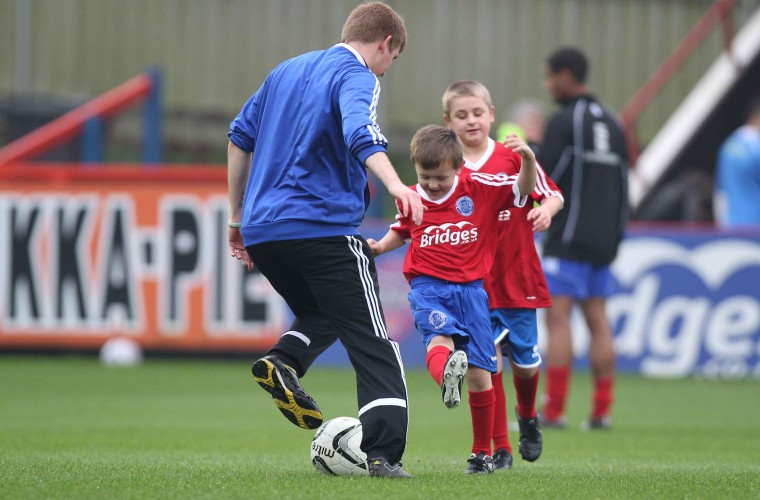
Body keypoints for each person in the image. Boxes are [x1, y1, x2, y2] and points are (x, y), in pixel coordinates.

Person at [225, 2, 423, 479]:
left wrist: (236, 217)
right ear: (385, 44)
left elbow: (238, 136)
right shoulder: (359, 76)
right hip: (322, 228)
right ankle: (382, 455)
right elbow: (360, 129)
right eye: (391, 60)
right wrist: (397, 186)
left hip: (265, 231)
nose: (386, 69)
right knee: (374, 339)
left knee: (325, 312)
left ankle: (283, 362)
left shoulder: (285, 71)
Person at [368, 124, 537, 474]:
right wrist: (380, 247)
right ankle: (446, 374)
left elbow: (522, 190)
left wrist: (528, 162)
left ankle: (480, 455)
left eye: (440, 178)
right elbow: (402, 229)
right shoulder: (411, 196)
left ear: (459, 169)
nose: (431, 184)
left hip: (473, 292)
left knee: (480, 375)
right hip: (428, 287)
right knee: (439, 337)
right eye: (424, 176)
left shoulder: (480, 189)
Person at [442, 80, 563, 469]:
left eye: (477, 113)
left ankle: (528, 416)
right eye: (461, 115)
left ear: (491, 115)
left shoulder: (513, 156)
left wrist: (546, 210)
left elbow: (553, 194)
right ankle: (500, 447)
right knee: (485, 363)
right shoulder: (447, 163)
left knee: (525, 365)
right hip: (473, 284)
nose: (471, 121)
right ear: (449, 121)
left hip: (518, 277)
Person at [536, 46, 629, 430]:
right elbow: (626, 182)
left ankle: (554, 411)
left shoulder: (564, 120)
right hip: (605, 240)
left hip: (568, 237)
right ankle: (602, 411)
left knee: (558, 320)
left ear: (566, 76)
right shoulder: (613, 121)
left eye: (550, 76)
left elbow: (546, 177)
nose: (548, 84)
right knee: (599, 320)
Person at [714, 97, 760, 227]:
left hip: (731, 224)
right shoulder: (756, 148)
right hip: (755, 226)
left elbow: (720, 189)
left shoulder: (729, 145)